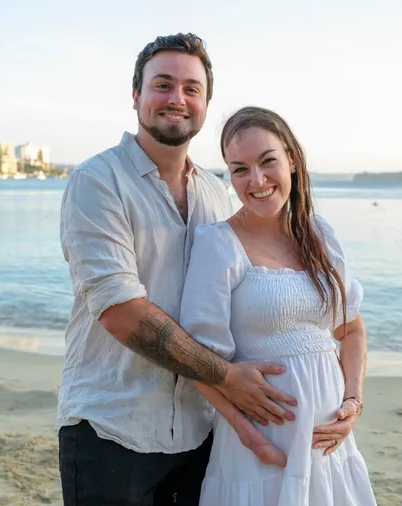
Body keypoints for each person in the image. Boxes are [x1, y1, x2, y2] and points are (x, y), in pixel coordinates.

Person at [57, 34, 297, 506]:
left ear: (206, 103)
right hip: (112, 427)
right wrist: (229, 377)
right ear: (136, 96)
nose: (177, 99)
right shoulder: (97, 182)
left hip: (200, 431)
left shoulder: (217, 193)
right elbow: (122, 313)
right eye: (162, 85)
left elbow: (238, 299)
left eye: (192, 88)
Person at [179, 105, 378, 505]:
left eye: (268, 161)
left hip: (329, 448)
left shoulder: (320, 235)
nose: (256, 180)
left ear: (291, 158)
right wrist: (253, 439)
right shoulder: (219, 243)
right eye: (240, 169)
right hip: (262, 448)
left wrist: (353, 403)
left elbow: (350, 331)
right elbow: (195, 359)